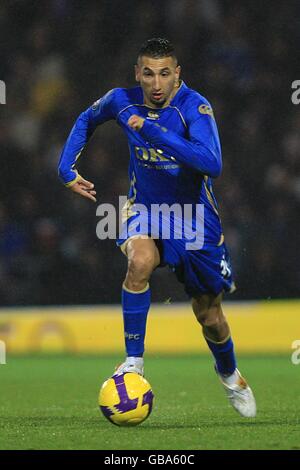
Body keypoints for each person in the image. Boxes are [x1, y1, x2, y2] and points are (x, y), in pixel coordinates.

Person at [58, 38, 256, 418]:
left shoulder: (194, 108)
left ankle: (230, 374)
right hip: (145, 210)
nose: (156, 83)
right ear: (138, 73)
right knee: (140, 261)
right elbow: (87, 118)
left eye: (165, 73)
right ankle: (134, 360)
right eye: (148, 73)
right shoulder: (121, 100)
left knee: (209, 316)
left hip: (194, 221)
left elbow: (211, 163)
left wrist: (155, 134)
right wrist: (65, 169)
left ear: (177, 74)